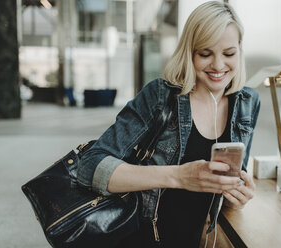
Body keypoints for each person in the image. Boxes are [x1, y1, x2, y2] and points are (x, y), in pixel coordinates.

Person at [77, 1, 260, 247]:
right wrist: (179, 176)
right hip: (141, 239)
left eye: (228, 53)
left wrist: (236, 195)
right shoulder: (159, 96)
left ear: (240, 50)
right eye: (205, 53)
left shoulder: (248, 102)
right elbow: (90, 167)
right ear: (189, 52)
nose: (218, 65)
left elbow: (230, 183)